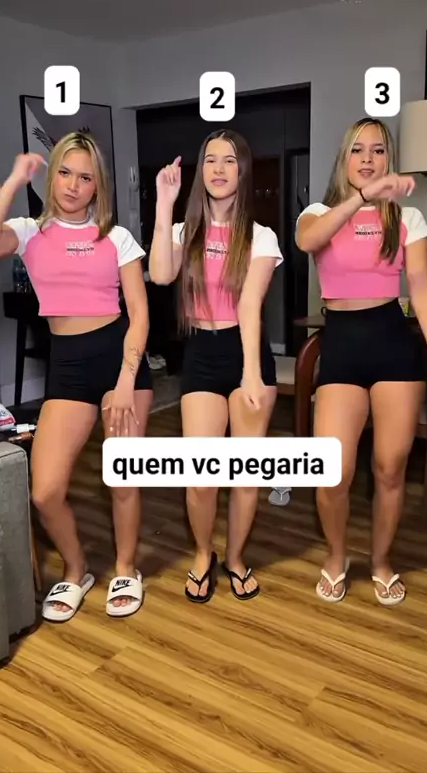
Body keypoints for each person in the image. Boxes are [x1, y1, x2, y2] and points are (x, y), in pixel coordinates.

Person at [0, 132, 153, 621]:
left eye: (86, 177)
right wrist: (13, 181)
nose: (74, 185)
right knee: (45, 490)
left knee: (123, 477)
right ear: (51, 176)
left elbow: (140, 314)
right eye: (65, 173)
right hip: (68, 365)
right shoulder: (29, 232)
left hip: (120, 361)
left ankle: (126, 567)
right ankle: (77, 569)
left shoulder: (116, 237)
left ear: (98, 186)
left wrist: (125, 381)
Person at [296, 117, 427, 606]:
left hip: (393, 346)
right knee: (332, 471)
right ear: (344, 158)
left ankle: (382, 561)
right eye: (358, 150)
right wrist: (363, 198)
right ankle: (336, 556)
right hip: (342, 347)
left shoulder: (408, 219)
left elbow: (423, 288)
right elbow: (308, 243)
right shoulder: (318, 213)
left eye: (379, 150)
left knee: (390, 467)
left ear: (389, 159)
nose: (368, 159)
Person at [149, 129, 283, 603]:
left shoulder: (261, 237)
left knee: (246, 476)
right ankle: (203, 553)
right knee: (201, 477)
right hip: (202, 354)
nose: (219, 169)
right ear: (201, 170)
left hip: (247, 353)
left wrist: (252, 372)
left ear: (242, 171)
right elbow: (160, 274)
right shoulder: (184, 232)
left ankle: (236, 558)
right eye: (210, 160)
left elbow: (249, 305)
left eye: (229, 160)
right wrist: (164, 204)